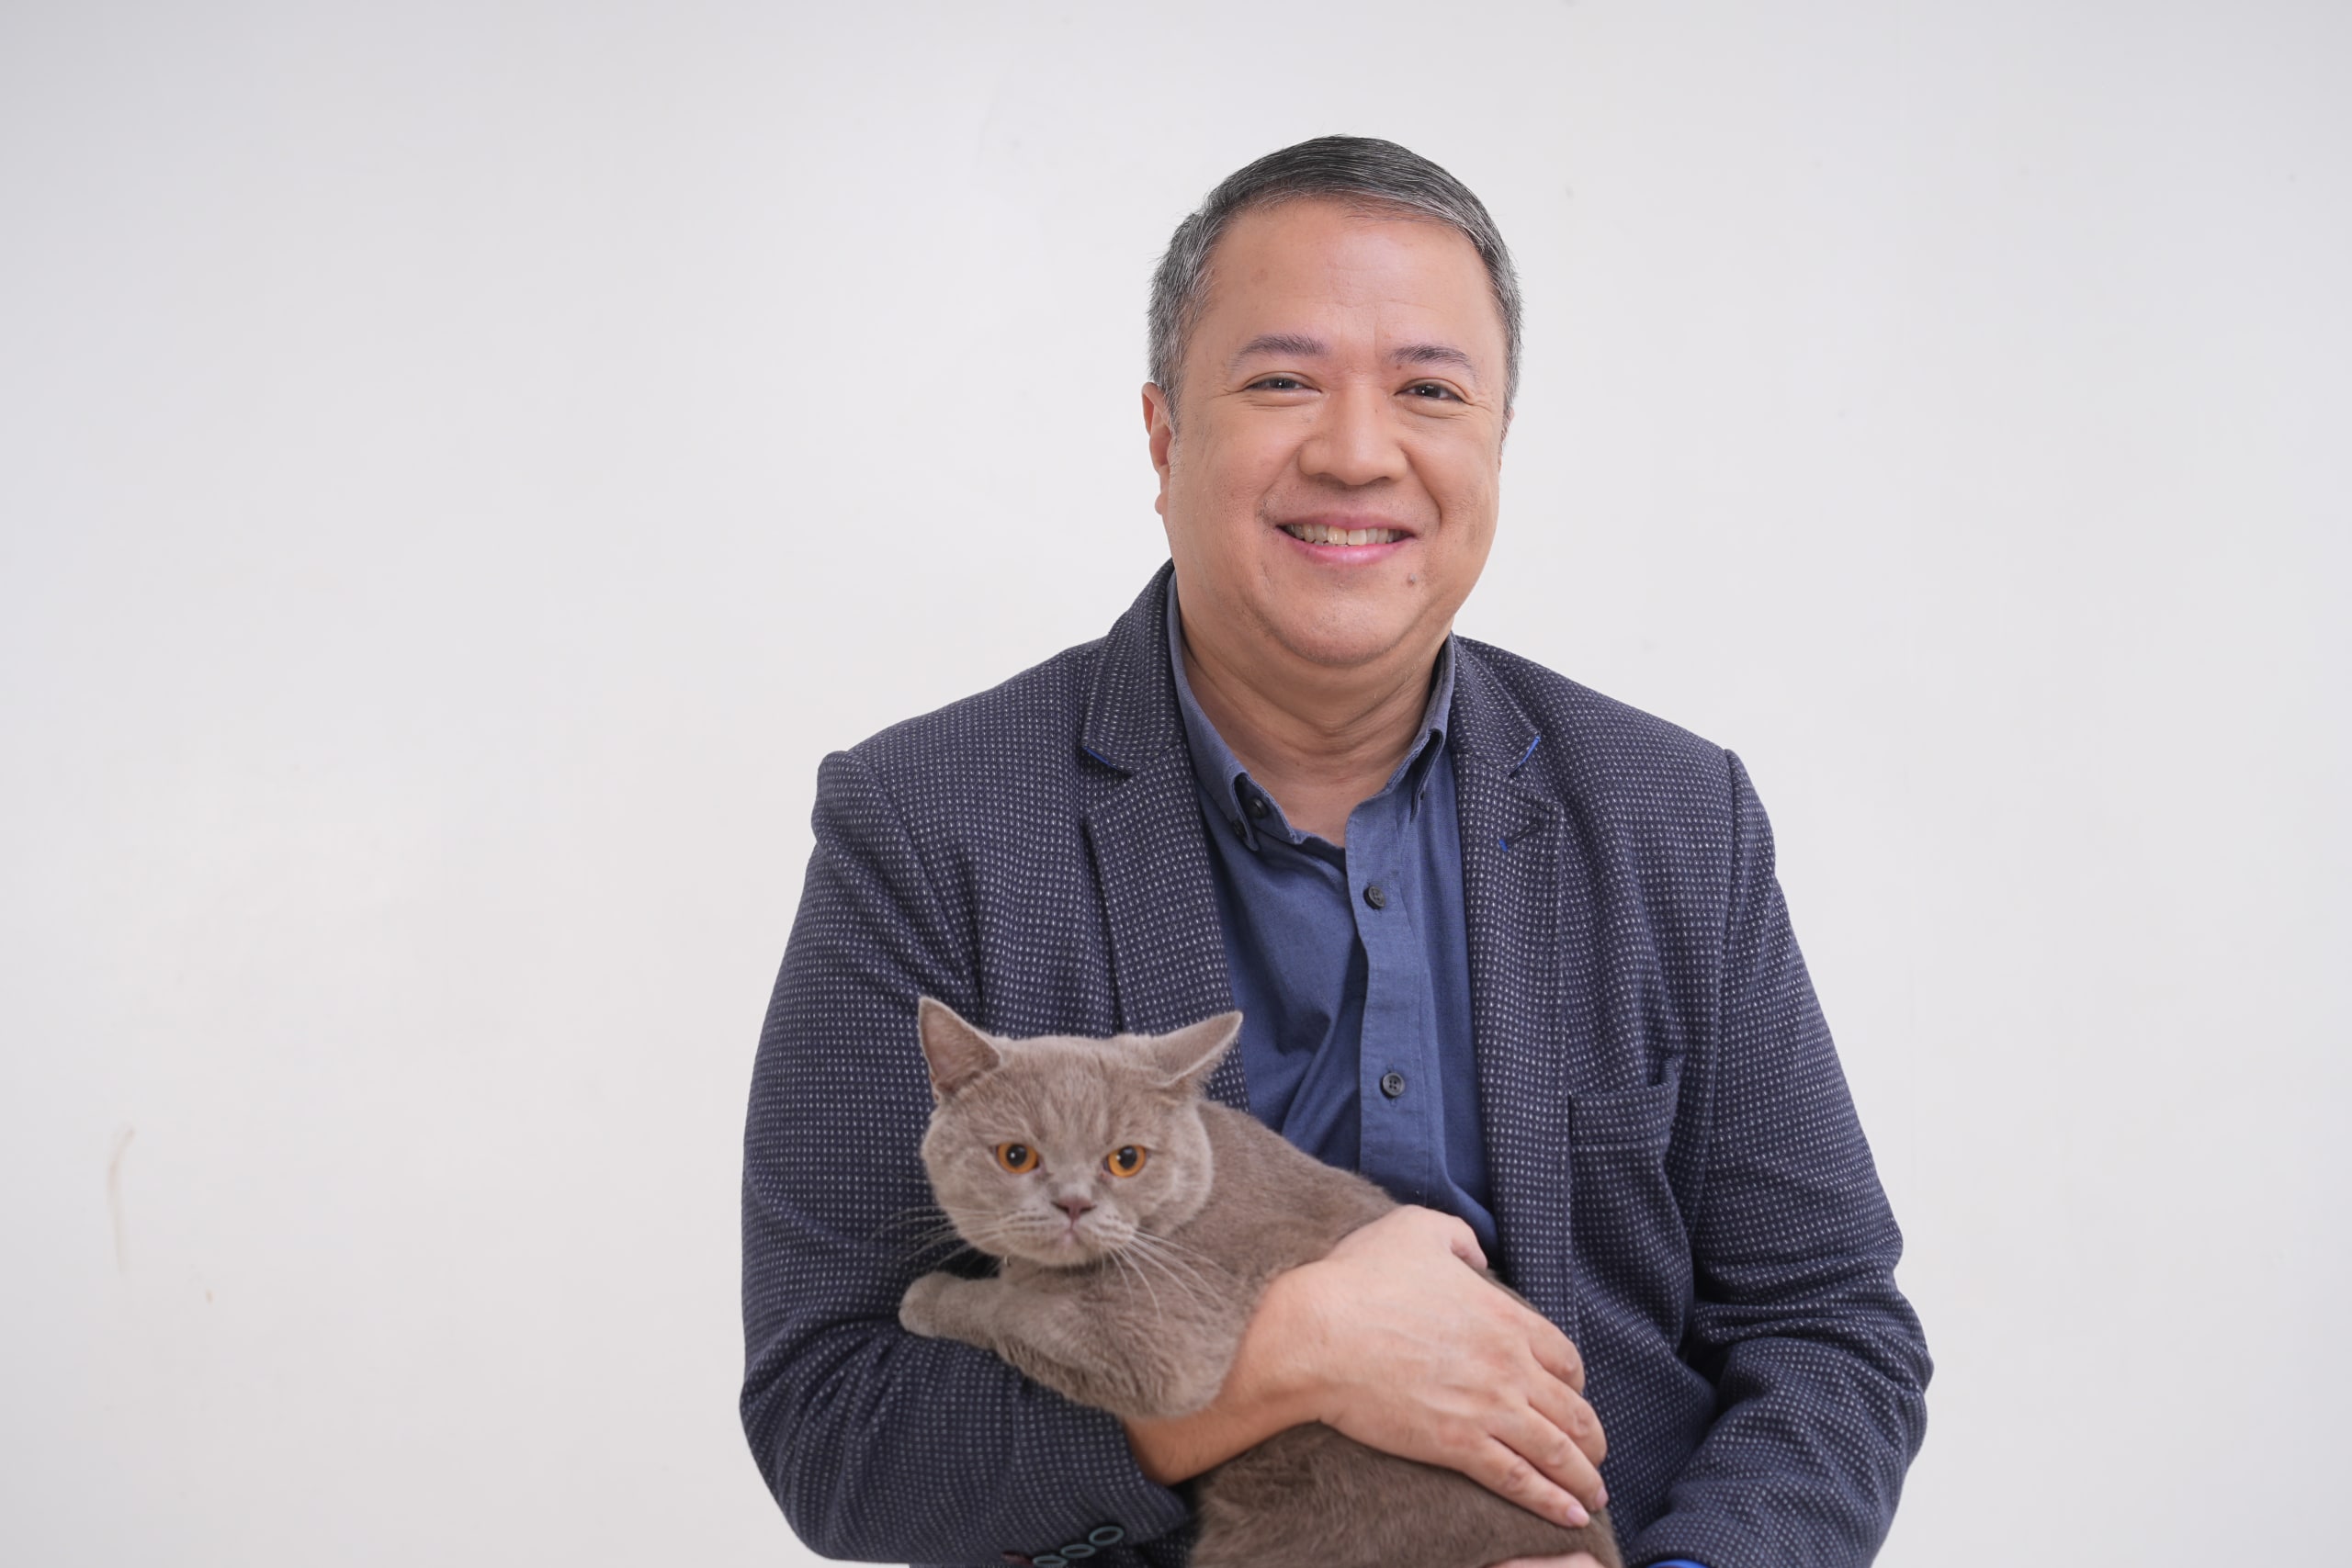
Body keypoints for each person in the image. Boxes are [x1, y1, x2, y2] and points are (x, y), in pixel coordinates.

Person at [740, 136, 1929, 1568]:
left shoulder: (1671, 816)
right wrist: (1278, 1363)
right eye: (1284, 382)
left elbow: (1825, 1327)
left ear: (1496, 443)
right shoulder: (929, 822)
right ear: (1164, 438)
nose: (1360, 452)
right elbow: (834, 1421)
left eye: (1430, 391)